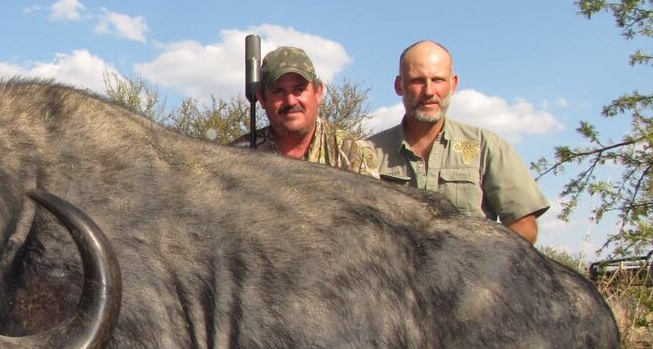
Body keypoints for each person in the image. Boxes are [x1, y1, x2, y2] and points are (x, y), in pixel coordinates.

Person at [367, 40, 548, 243]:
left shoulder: (487, 147)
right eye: (417, 81)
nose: (428, 91)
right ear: (399, 86)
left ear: (453, 84)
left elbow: (524, 226)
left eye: (438, 80)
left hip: (472, 272)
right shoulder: (367, 153)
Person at [234, 45, 377, 176]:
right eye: (278, 91)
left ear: (318, 92)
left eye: (299, 90)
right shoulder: (237, 156)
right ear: (262, 98)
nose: (290, 101)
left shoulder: (355, 153)